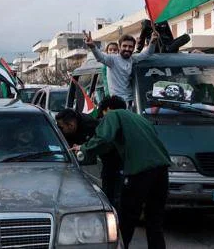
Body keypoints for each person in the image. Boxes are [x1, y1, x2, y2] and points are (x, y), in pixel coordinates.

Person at [73, 96, 171, 249]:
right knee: (154, 221)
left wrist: (83, 148)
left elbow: (104, 137)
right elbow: (110, 145)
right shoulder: (139, 119)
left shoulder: (112, 115)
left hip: (140, 171)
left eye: (102, 116)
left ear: (107, 109)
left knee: (126, 218)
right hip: (162, 170)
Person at [56, 108, 123, 207]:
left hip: (110, 157)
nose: (60, 130)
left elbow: (99, 143)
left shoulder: (91, 125)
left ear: (71, 125)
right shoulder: (67, 130)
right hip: (82, 158)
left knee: (110, 184)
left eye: (61, 127)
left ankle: (111, 205)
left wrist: (83, 147)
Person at [84, 30, 159, 108]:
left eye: (130, 47)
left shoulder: (133, 59)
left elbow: (148, 53)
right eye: (124, 46)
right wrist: (92, 46)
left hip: (132, 101)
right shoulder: (112, 59)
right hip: (117, 103)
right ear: (119, 47)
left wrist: (152, 41)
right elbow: (100, 57)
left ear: (133, 48)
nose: (127, 48)